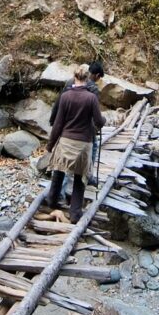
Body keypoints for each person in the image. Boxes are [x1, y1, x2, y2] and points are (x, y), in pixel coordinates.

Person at [45, 68, 106, 223]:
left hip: (66, 141)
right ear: (87, 79)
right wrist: (103, 121)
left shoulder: (65, 96)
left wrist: (50, 145)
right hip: (84, 143)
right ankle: (75, 213)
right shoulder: (91, 98)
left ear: (74, 77)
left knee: (59, 172)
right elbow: (99, 122)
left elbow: (58, 124)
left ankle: (52, 202)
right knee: (80, 178)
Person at [50, 61, 104, 187]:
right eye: (99, 77)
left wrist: (53, 119)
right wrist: (95, 129)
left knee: (64, 159)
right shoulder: (93, 90)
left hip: (65, 125)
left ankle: (56, 191)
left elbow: (59, 101)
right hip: (81, 130)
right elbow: (94, 115)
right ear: (96, 75)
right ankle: (87, 175)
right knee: (93, 147)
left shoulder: (70, 82)